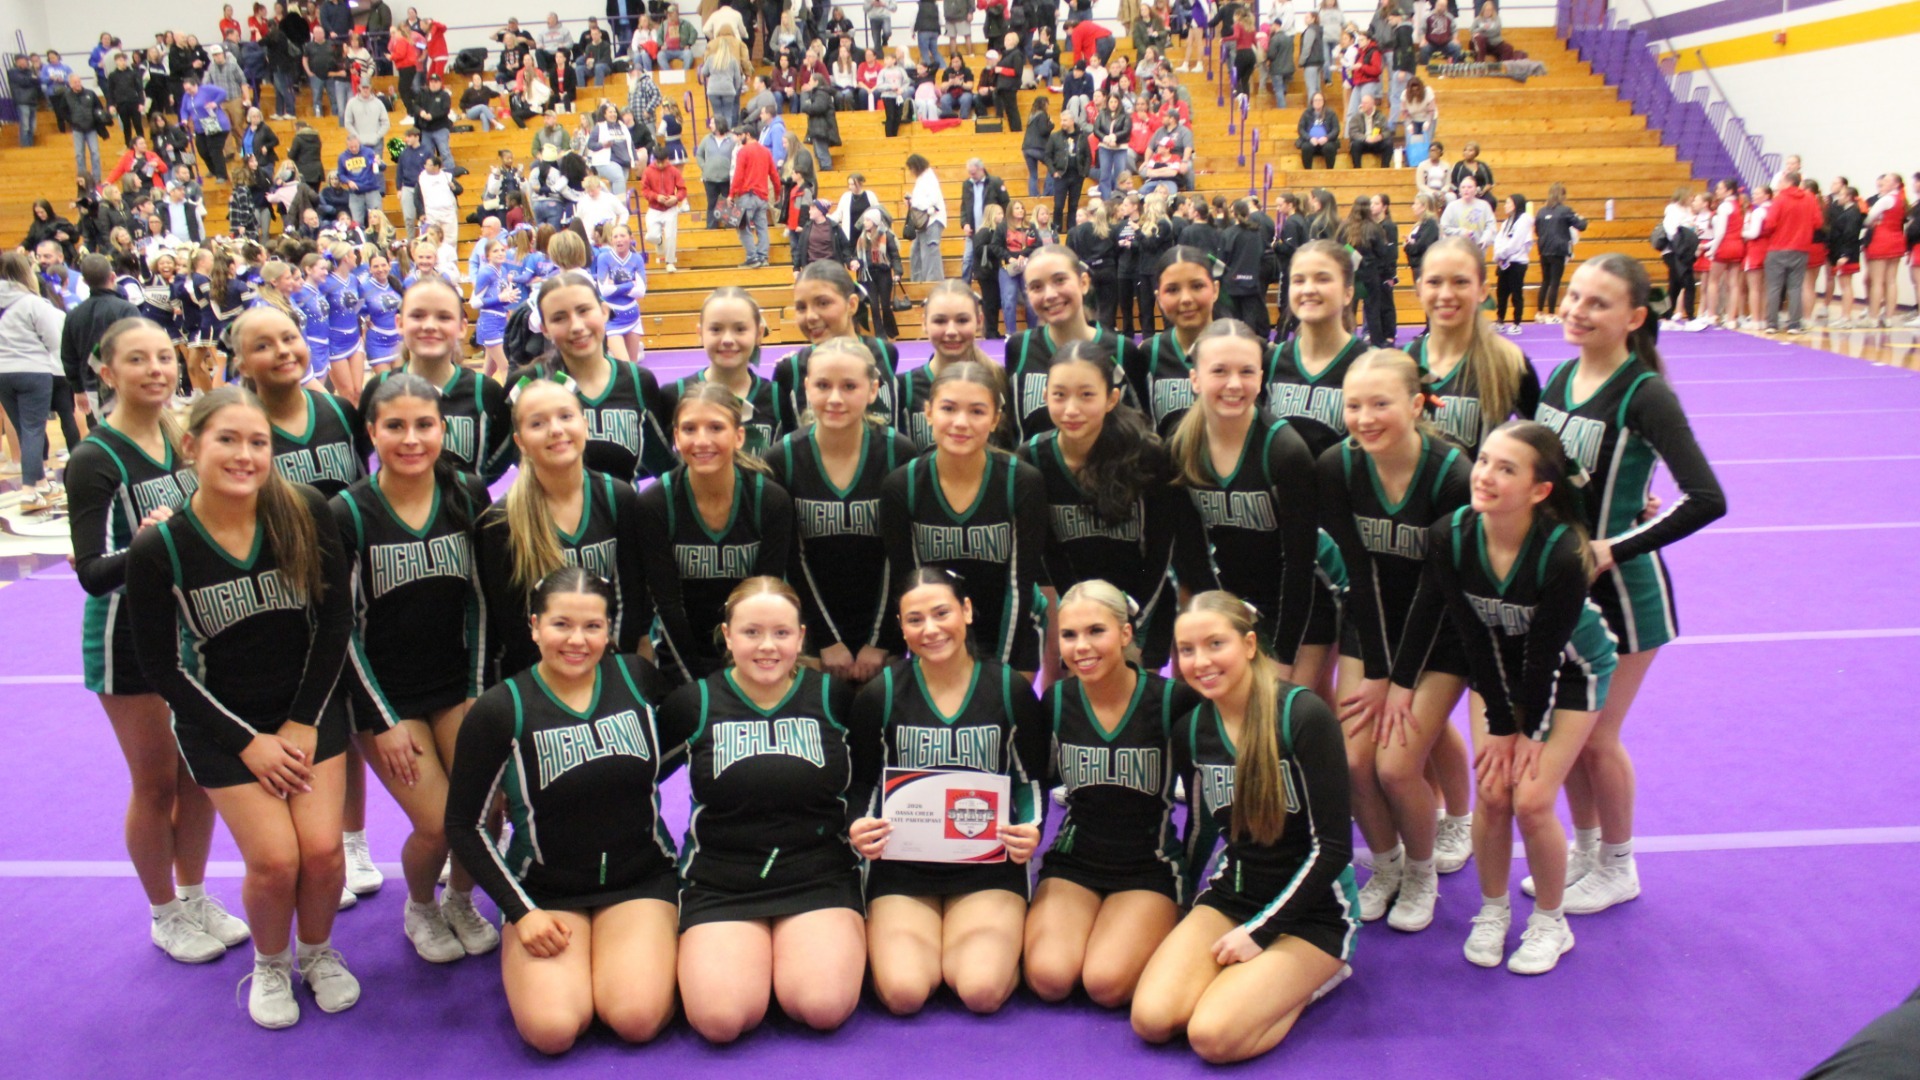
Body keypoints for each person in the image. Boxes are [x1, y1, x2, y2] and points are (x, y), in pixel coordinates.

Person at [125, 384, 358, 1029]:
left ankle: (318, 953)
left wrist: (304, 720)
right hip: (221, 723)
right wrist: (248, 741)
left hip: (306, 710)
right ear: (191, 445)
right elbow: (162, 668)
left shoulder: (305, 511)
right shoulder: (161, 546)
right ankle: (272, 963)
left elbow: (336, 621)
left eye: (259, 442)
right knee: (275, 859)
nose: (245, 454)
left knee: (323, 851)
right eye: (227, 439)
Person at [1532, 254, 1726, 916]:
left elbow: (1706, 497)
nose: (1578, 311)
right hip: (1564, 589)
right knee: (1570, 730)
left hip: (1626, 596)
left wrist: (1617, 544)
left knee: (1596, 737)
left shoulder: (1646, 392)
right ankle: (1587, 852)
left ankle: (1619, 863)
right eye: (1574, 296)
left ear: (1634, 318)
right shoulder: (1560, 375)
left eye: (1598, 303)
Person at [1389, 421, 1617, 973]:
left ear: (1540, 491)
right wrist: (1497, 718)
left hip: (1570, 675)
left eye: (1506, 469)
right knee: (1493, 792)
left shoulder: (1562, 554)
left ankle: (1551, 921)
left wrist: (1521, 733)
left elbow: (1545, 657)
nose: (1485, 475)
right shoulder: (1451, 534)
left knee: (1532, 800)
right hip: (1497, 671)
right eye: (1485, 460)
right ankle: (1493, 911)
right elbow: (1471, 633)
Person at [65, 317, 251, 963]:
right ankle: (163, 911)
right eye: (136, 360)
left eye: (163, 357)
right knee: (156, 785)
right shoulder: (96, 459)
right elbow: (90, 572)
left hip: (190, 633)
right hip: (127, 641)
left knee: (199, 776)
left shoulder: (181, 436)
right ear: (107, 373)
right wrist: (147, 543)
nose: (155, 369)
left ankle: (195, 893)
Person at [445, 567, 679, 1053]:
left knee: (635, 1017)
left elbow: (689, 746)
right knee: (552, 1030)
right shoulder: (499, 710)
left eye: (593, 626)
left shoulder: (637, 680)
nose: (578, 640)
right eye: (561, 625)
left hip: (639, 879)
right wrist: (520, 912)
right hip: (546, 893)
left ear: (609, 629)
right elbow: (463, 826)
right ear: (534, 626)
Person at [1129, 590, 1356, 1063]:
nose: (1200, 662)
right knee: (1152, 1020)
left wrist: (1261, 932)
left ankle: (1319, 975)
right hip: (1234, 893)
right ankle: (1255, 987)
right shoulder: (1191, 729)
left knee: (1212, 1037)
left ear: (1250, 645)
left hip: (1313, 910)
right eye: (1186, 650)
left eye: (1216, 644)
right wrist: (1181, 911)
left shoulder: (1303, 716)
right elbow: (1199, 831)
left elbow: (1333, 847)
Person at [330, 374, 499, 963]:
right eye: (395, 426)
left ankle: (460, 897)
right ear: (372, 431)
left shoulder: (467, 494)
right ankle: (421, 905)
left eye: (424, 425)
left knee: (487, 808)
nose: (411, 439)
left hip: (455, 684)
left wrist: (479, 693)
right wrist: (381, 721)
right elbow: (340, 629)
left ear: (443, 429)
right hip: (386, 697)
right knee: (435, 824)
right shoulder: (348, 512)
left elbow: (483, 602)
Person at [658, 577, 869, 1042]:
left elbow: (870, 777)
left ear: (801, 636)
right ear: (728, 636)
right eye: (751, 632)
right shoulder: (694, 704)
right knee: (720, 1020)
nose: (767, 646)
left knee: (823, 1006)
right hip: (721, 880)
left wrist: (860, 821)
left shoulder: (833, 699)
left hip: (817, 873)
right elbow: (628, 778)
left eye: (781, 633)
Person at [1317, 349, 1476, 933]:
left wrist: (1399, 682)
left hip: (1442, 632)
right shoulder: (1337, 465)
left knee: (1396, 764)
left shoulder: (1450, 474)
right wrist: (1378, 670)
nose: (1365, 418)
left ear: (1415, 405)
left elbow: (1441, 590)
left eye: (1380, 404)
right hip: (1372, 621)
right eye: (1353, 405)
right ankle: (1384, 865)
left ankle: (1422, 869)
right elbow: (1357, 570)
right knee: (1353, 761)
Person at [850, 567, 1049, 1014]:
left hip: (986, 864)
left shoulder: (1008, 688)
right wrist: (858, 826)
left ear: (968, 611)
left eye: (942, 613)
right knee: (904, 993)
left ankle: (979, 947)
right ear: (901, 627)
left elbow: (1030, 781)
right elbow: (863, 783)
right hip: (903, 866)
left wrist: (1030, 826)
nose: (931, 629)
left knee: (981, 990)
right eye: (915, 619)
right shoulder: (880, 694)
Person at [1022, 578, 1199, 1005]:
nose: (1081, 646)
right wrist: (1029, 837)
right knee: (1049, 979)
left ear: (1125, 633)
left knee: (1105, 984)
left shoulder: (1173, 701)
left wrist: (1190, 891)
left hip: (1147, 867)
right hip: (1075, 862)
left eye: (1095, 631)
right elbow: (1035, 786)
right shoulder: (1057, 700)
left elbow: (1203, 806)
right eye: (1069, 635)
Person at [1019, 342, 1183, 669]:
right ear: (1044, 397)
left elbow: (1161, 551)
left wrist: (1132, 623)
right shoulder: (1032, 459)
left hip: (1144, 602)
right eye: (1060, 395)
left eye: (1086, 395)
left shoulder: (1148, 454)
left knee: (1138, 701)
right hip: (1079, 606)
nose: (1071, 409)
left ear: (1111, 399)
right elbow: (1050, 553)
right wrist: (1078, 611)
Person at [763, 336, 916, 682]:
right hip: (811, 637)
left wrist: (881, 641)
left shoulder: (899, 454)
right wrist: (824, 640)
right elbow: (791, 557)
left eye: (849, 386)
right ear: (806, 388)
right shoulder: (782, 458)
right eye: (822, 385)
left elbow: (900, 556)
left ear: (873, 388)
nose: (834, 398)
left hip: (885, 634)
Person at [881, 362, 1048, 675]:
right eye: (948, 408)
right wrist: (929, 658)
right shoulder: (902, 486)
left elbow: (1019, 584)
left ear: (996, 419)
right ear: (928, 413)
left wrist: (1001, 670)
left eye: (977, 411)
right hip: (936, 632)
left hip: (1012, 627)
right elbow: (911, 585)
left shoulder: (1022, 482)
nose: (961, 422)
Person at [637, 383, 793, 683]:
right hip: (680, 654)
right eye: (689, 429)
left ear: (739, 437)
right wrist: (698, 683)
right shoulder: (656, 503)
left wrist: (737, 674)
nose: (702, 440)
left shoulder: (770, 501)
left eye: (716, 428)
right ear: (676, 439)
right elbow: (667, 604)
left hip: (754, 647)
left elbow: (763, 597)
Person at [511, 272, 671, 484]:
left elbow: (662, 463)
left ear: (605, 311)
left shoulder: (637, 381)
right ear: (545, 329)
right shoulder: (527, 384)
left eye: (584, 310)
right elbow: (501, 458)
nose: (577, 326)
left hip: (621, 513)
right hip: (549, 514)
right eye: (559, 318)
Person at [1408, 236, 1541, 456]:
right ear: (1419, 288)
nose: (1446, 294)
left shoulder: (1509, 364)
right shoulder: (1406, 361)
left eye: (1461, 282)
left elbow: (1543, 449)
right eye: (1434, 282)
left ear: (1482, 290)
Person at [1005, 245, 1146, 441]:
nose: (1050, 294)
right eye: (1037, 287)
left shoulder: (1122, 351)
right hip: (1036, 471)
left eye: (1060, 280)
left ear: (1084, 283)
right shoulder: (1019, 348)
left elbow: (1141, 433)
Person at [0, 253, 66, 513]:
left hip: (2, 373)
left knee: (21, 426)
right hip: (33, 371)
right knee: (33, 429)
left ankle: (39, 482)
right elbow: (54, 340)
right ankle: (29, 490)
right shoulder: (32, 302)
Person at [730, 124, 779, 269]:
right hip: (762, 196)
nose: (740, 138)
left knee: (742, 227)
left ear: (748, 135)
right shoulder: (766, 151)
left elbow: (738, 176)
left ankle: (752, 257)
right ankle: (763, 257)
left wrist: (731, 194)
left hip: (747, 196)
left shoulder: (743, 151)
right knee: (762, 227)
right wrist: (777, 193)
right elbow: (774, 175)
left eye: (742, 135)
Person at [1534, 183, 1586, 319]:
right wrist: (1581, 218)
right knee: (1555, 282)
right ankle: (1551, 313)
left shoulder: (1541, 211)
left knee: (1545, 281)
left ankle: (1539, 312)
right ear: (1562, 196)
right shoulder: (1565, 210)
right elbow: (1581, 226)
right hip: (1558, 249)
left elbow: (1537, 230)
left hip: (1544, 248)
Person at [1492, 193, 1534, 332]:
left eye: (1508, 203)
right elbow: (1499, 239)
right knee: (1501, 292)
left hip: (1517, 262)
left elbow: (1516, 243)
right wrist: (1498, 254)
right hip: (1504, 262)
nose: (1505, 206)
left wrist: (1502, 253)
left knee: (1516, 293)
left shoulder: (1524, 220)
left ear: (1516, 204)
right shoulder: (1506, 222)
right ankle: (1500, 320)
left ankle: (1516, 323)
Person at [905, 154, 948, 283]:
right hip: (925, 222)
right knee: (916, 252)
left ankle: (932, 283)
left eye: (911, 168)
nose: (911, 172)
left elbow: (932, 200)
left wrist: (913, 201)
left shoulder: (929, 178)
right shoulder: (923, 178)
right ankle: (918, 282)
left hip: (932, 220)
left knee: (930, 253)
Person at [1047, 112, 1090, 225]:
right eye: (1061, 120)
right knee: (1058, 205)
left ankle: (1072, 230)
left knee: (1073, 205)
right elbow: (1047, 156)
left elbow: (1088, 156)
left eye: (1065, 120)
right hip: (1061, 175)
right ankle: (1057, 230)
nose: (1062, 123)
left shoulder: (1082, 136)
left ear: (1072, 121)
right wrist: (1053, 172)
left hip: (1077, 175)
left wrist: (1084, 173)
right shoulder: (1055, 136)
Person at [1440, 175, 1495, 250]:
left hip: (1478, 249)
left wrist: (1484, 240)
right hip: (1457, 249)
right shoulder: (1452, 206)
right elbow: (1444, 227)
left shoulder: (1484, 206)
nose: (1466, 190)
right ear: (1459, 190)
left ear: (1475, 190)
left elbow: (1491, 226)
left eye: (1469, 187)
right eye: (1463, 187)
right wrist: (1461, 232)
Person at [1296, 91, 1339, 170]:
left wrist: (1326, 138)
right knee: (1306, 147)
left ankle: (1330, 171)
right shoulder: (1306, 113)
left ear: (1323, 102)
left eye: (1320, 100)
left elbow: (1336, 129)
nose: (1318, 102)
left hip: (1327, 141)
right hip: (1311, 141)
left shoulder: (1331, 113)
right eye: (1316, 100)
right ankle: (1307, 172)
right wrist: (1310, 138)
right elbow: (1300, 129)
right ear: (1312, 102)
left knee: (1329, 148)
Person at [1346, 94, 1392, 168]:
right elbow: (1353, 132)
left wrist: (1380, 137)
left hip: (1376, 142)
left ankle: (1385, 168)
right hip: (1363, 142)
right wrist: (1365, 138)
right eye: (1362, 103)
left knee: (1388, 143)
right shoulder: (1356, 117)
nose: (1363, 105)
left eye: (1365, 103)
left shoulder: (1380, 116)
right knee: (1355, 144)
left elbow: (1387, 131)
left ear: (1372, 104)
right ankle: (1357, 169)